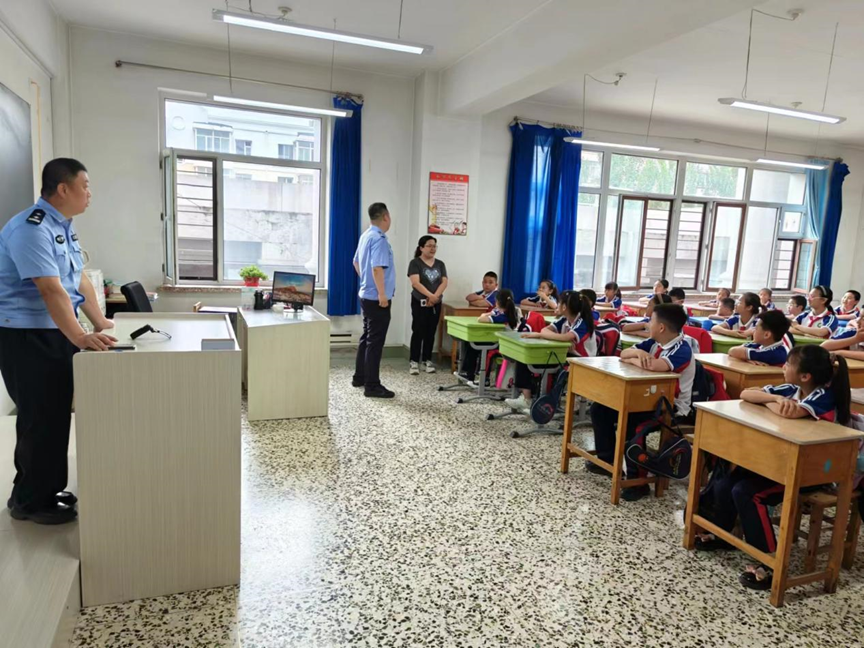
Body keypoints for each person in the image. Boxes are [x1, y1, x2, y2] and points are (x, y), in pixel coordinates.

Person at [0, 158, 117, 525]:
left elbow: (77, 279)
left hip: (53, 331)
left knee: (52, 415)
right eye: (85, 185)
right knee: (39, 417)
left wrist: (100, 322)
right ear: (63, 189)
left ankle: (42, 489)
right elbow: (51, 290)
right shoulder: (31, 229)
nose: (90, 193)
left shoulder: (61, 226)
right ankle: (30, 503)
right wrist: (80, 335)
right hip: (27, 335)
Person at [695, 346, 850, 591]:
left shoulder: (823, 396)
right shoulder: (791, 389)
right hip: (782, 462)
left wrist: (771, 401)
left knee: (746, 493)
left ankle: (767, 561)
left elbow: (792, 413)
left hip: (810, 472)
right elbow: (747, 393)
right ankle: (724, 535)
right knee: (726, 482)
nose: (784, 367)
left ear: (805, 376)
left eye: (789, 364)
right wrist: (775, 399)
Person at [590, 304, 695, 501]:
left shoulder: (682, 349)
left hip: (669, 408)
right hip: (645, 398)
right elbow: (623, 354)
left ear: (661, 327)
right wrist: (638, 355)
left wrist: (635, 359)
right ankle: (606, 460)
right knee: (599, 409)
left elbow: (655, 366)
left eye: (651, 321)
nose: (648, 324)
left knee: (633, 424)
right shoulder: (654, 343)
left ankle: (638, 482)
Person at [505, 291, 596, 413]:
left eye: (559, 303)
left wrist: (546, 336)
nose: (557, 305)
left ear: (564, 307)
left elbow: (566, 337)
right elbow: (545, 330)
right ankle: (527, 399)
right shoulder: (564, 319)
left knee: (543, 363)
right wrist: (545, 335)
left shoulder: (582, 322)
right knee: (526, 355)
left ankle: (546, 405)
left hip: (582, 361)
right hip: (565, 354)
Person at [352, 202, 396, 398]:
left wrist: (365, 282)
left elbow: (355, 262)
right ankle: (372, 386)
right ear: (385, 216)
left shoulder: (365, 236)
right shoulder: (379, 239)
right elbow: (377, 268)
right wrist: (381, 293)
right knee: (375, 342)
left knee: (367, 337)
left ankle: (359, 377)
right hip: (377, 298)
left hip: (365, 295)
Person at [456, 289, 520, 386]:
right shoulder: (507, 312)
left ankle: (483, 379)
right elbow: (485, 316)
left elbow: (481, 319)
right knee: (473, 342)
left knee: (484, 349)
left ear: (497, 302)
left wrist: (487, 314)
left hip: (506, 345)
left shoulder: (503, 316)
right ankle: (468, 374)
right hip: (502, 342)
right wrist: (488, 314)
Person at [407, 235, 448, 375]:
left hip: (435, 303)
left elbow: (444, 282)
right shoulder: (415, 263)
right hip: (419, 301)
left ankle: (427, 360)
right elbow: (415, 283)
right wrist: (430, 295)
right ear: (421, 248)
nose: (432, 248)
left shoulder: (440, 264)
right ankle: (414, 361)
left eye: (434, 246)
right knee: (418, 330)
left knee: (431, 331)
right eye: (429, 246)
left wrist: (435, 297)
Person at [728, 310, 792, 366]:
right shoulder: (759, 344)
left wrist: (744, 357)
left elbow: (734, 351)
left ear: (766, 335)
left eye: (756, 328)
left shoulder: (778, 354)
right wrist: (747, 359)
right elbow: (732, 350)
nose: (753, 331)